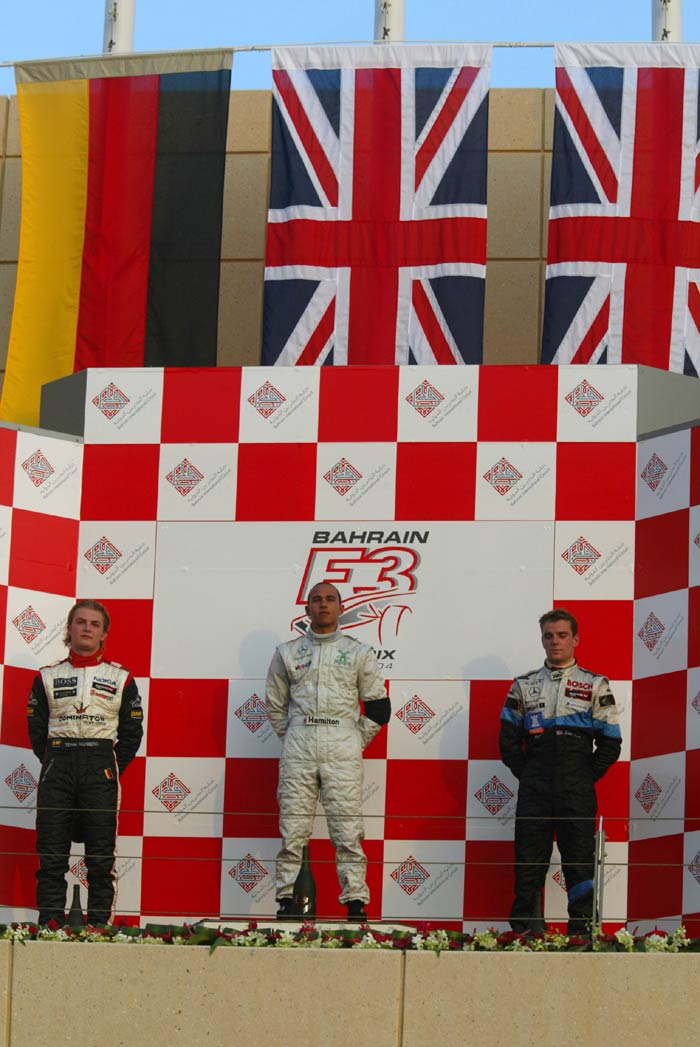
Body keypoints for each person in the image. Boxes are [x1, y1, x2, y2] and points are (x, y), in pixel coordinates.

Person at [266, 582, 391, 922]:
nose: (323, 605)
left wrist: (351, 740)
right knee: (292, 828)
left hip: (342, 746)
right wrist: (296, 735)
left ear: (341, 608)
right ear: (306, 608)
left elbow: (379, 708)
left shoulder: (359, 652)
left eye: (330, 599)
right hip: (300, 745)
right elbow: (275, 707)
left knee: (348, 831)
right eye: (316, 599)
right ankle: (286, 901)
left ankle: (355, 904)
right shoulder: (287, 652)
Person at [498, 609, 621, 935]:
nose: (555, 641)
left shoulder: (595, 684)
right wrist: (530, 775)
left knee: (579, 860)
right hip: (535, 786)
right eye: (549, 636)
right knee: (528, 861)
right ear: (542, 639)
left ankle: (582, 932)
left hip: (576, 786)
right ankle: (525, 932)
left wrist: (584, 776)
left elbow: (611, 743)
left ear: (575, 639)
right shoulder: (523, 685)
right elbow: (507, 742)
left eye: (562, 635)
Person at [27, 600, 143, 926]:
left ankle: (99, 930)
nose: (87, 628)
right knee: (51, 858)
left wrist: (108, 767)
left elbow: (132, 734)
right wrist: (55, 761)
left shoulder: (121, 677)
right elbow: (36, 731)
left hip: (100, 767)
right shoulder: (48, 676)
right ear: (69, 628)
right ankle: (50, 927)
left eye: (94, 624)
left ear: (104, 633)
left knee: (100, 860)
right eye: (81, 622)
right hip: (58, 766)